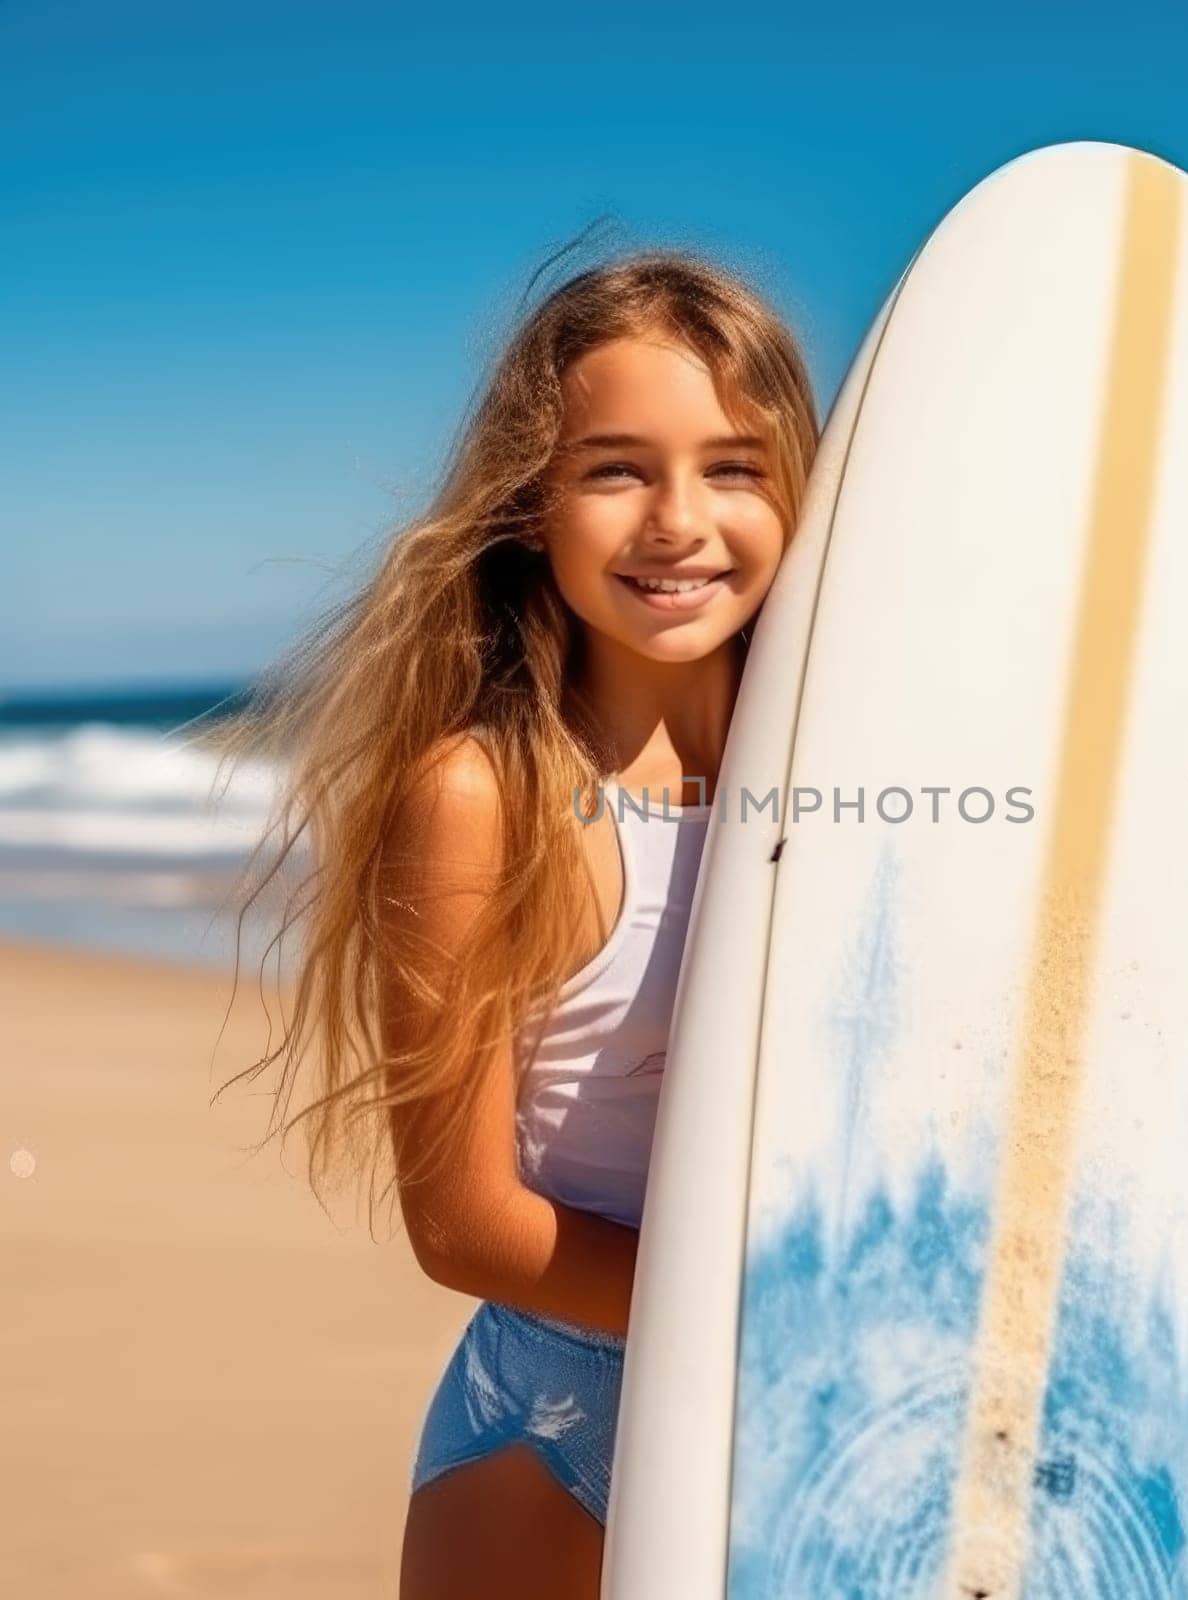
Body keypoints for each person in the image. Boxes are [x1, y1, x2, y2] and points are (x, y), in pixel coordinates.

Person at [217, 245, 818, 1597]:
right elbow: (468, 1225)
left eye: (733, 467)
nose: (679, 520)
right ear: (531, 505)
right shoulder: (482, 798)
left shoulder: (849, 783)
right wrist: (779, 1324)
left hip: (811, 1407)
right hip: (555, 1433)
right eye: (615, 469)